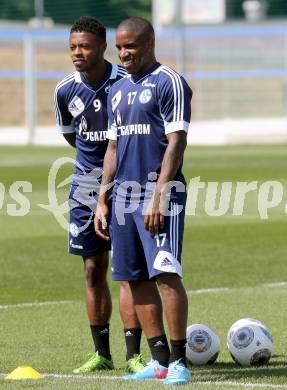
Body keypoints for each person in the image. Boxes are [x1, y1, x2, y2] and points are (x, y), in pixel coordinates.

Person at [95, 17, 192, 385]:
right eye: (119, 47)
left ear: (149, 44)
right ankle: (159, 360)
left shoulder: (170, 82)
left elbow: (176, 143)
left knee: (166, 275)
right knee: (135, 279)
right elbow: (114, 148)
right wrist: (103, 199)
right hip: (122, 199)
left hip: (158, 197)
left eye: (130, 47)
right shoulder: (117, 90)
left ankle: (180, 361)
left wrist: (159, 196)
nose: (123, 54)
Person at [54, 16, 145, 374]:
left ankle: (134, 354)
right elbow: (71, 135)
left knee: (127, 272)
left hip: (126, 184)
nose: (78, 52)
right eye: (73, 46)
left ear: (103, 48)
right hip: (84, 188)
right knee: (93, 269)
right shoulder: (64, 90)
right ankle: (101, 353)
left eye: (85, 46)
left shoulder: (125, 83)